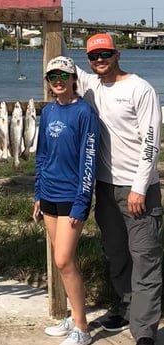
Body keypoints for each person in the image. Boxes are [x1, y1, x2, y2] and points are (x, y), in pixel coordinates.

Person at [70, 33, 163, 345]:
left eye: (105, 54)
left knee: (145, 258)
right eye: (93, 57)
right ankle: (126, 307)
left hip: (138, 190)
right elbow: (60, 65)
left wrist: (139, 188)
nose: (100, 61)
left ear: (117, 54)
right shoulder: (90, 85)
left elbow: (151, 143)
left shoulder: (141, 89)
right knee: (116, 253)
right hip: (105, 188)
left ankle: (145, 330)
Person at [33, 56, 100, 345]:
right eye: (52, 77)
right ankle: (73, 318)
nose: (58, 81)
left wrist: (82, 200)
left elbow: (89, 159)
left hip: (72, 197)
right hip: (48, 195)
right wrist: (37, 193)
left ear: (74, 79)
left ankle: (82, 329)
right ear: (47, 83)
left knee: (62, 260)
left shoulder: (85, 113)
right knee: (65, 260)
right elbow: (42, 154)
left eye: (63, 76)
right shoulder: (47, 112)